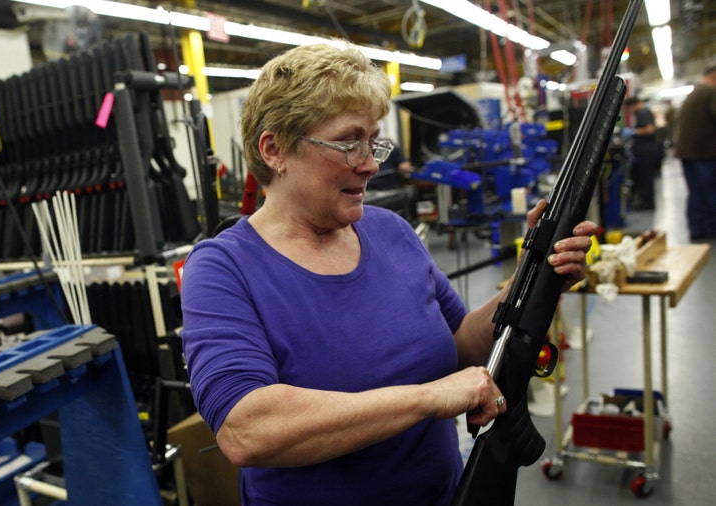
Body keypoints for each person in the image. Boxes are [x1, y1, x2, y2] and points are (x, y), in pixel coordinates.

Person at [179, 43, 595, 505]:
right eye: (348, 141)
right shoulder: (222, 269)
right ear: (274, 148)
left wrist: (534, 279)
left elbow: (459, 342)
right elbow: (247, 429)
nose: (371, 163)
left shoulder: (391, 231)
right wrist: (427, 399)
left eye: (374, 140)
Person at [674, 63, 716, 240]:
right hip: (703, 153)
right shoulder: (710, 92)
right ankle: (710, 229)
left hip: (688, 152)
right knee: (709, 192)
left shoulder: (695, 92)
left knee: (696, 192)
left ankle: (697, 229)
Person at [623, 97, 660, 210]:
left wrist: (633, 131)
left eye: (628, 109)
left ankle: (648, 204)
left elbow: (649, 129)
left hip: (647, 152)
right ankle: (646, 202)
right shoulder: (641, 114)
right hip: (644, 151)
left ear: (633, 105)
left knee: (646, 179)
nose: (629, 112)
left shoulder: (644, 112)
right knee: (643, 178)